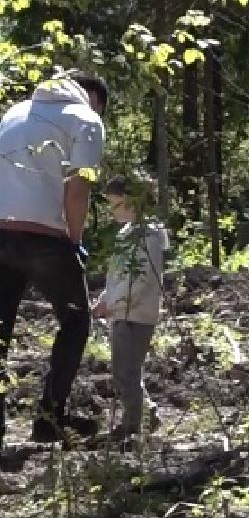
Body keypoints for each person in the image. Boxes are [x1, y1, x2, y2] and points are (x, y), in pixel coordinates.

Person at [0, 74, 107, 445]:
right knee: (76, 322)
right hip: (44, 237)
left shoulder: (15, 112)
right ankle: (50, 418)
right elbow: (78, 189)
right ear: (94, 100)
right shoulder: (87, 120)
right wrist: (74, 240)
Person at [92, 175, 167, 441]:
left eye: (117, 204)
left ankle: (133, 424)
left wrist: (114, 304)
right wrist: (105, 298)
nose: (112, 211)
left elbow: (142, 278)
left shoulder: (150, 236)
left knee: (127, 371)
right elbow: (118, 276)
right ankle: (146, 414)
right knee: (122, 369)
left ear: (135, 202)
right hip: (121, 312)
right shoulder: (126, 235)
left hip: (137, 314)